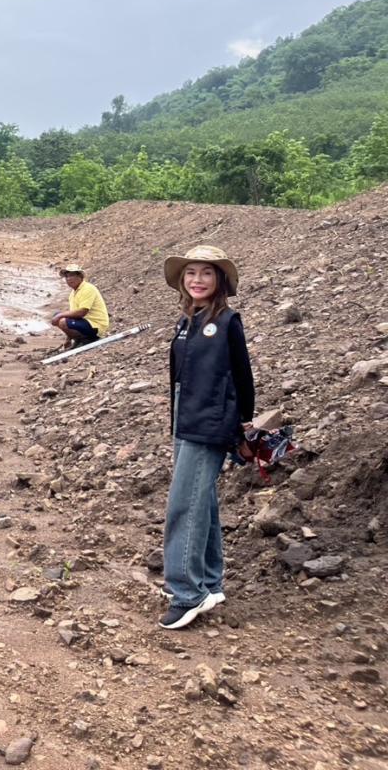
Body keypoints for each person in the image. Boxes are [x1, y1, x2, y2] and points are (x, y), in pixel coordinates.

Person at [159, 245, 255, 630]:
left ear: (220, 282)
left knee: (184, 506)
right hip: (186, 418)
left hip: (210, 422)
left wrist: (244, 425)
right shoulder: (188, 321)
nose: (197, 280)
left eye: (206, 273)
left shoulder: (227, 322)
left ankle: (187, 593)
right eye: (191, 273)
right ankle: (210, 583)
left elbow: (242, 377)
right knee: (204, 502)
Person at [50, 264, 109, 349]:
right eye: (66, 276)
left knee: (61, 320)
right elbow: (73, 316)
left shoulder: (88, 288)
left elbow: (82, 312)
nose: (68, 279)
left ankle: (87, 340)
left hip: (96, 325)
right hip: (86, 323)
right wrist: (68, 338)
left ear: (80, 276)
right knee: (57, 315)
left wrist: (61, 315)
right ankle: (79, 340)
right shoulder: (73, 294)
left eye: (72, 275)